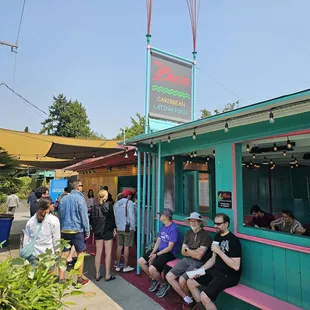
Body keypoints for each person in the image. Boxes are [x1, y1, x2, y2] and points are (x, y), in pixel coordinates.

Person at [187, 213, 242, 310]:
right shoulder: (217, 237)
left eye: (218, 224)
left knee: (205, 296)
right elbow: (213, 259)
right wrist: (199, 270)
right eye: (215, 223)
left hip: (229, 275)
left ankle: (205, 304)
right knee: (190, 282)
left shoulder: (233, 240)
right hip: (216, 271)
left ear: (226, 224)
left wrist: (219, 252)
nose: (215, 226)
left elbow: (236, 266)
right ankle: (202, 307)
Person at [166, 212, 212, 309]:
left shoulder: (205, 236)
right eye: (191, 221)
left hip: (199, 263)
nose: (193, 223)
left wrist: (188, 250)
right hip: (186, 260)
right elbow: (183, 252)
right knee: (169, 276)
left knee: (182, 280)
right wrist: (193, 251)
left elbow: (199, 256)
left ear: (200, 222)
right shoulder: (188, 233)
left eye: (195, 221)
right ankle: (189, 298)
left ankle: (194, 302)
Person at [138, 208, 179, 298]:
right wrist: (153, 252)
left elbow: (170, 247)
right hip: (159, 251)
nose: (160, 216)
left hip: (169, 253)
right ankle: (154, 279)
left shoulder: (174, 228)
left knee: (152, 269)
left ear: (165, 216)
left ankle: (163, 284)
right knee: (141, 261)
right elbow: (158, 242)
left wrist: (156, 255)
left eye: (161, 215)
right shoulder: (163, 226)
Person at [58, 181, 90, 286]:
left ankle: (61, 278)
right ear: (77, 187)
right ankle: (79, 278)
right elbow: (84, 216)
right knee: (80, 254)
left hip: (65, 230)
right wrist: (87, 230)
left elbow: (60, 215)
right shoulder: (80, 199)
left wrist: (61, 228)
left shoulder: (63, 199)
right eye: (81, 185)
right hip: (77, 230)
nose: (82, 187)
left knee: (64, 254)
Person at [23, 197, 60, 264]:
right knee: (49, 274)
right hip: (49, 254)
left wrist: (26, 250)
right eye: (52, 203)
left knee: (34, 274)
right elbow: (56, 239)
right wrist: (57, 252)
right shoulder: (54, 220)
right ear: (49, 205)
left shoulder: (31, 221)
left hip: (34, 254)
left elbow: (26, 238)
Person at [90, 189, 117, 282]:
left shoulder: (94, 207)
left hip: (98, 231)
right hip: (107, 231)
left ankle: (97, 274)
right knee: (108, 254)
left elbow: (92, 220)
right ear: (106, 196)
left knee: (98, 252)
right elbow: (112, 219)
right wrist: (114, 228)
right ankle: (107, 275)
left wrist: (94, 228)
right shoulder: (109, 205)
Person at [114, 189, 136, 272]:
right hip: (127, 228)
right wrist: (133, 227)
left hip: (119, 227)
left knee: (119, 246)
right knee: (126, 247)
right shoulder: (129, 203)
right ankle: (126, 266)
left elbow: (115, 216)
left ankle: (118, 266)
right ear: (129, 196)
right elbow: (131, 216)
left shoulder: (116, 204)